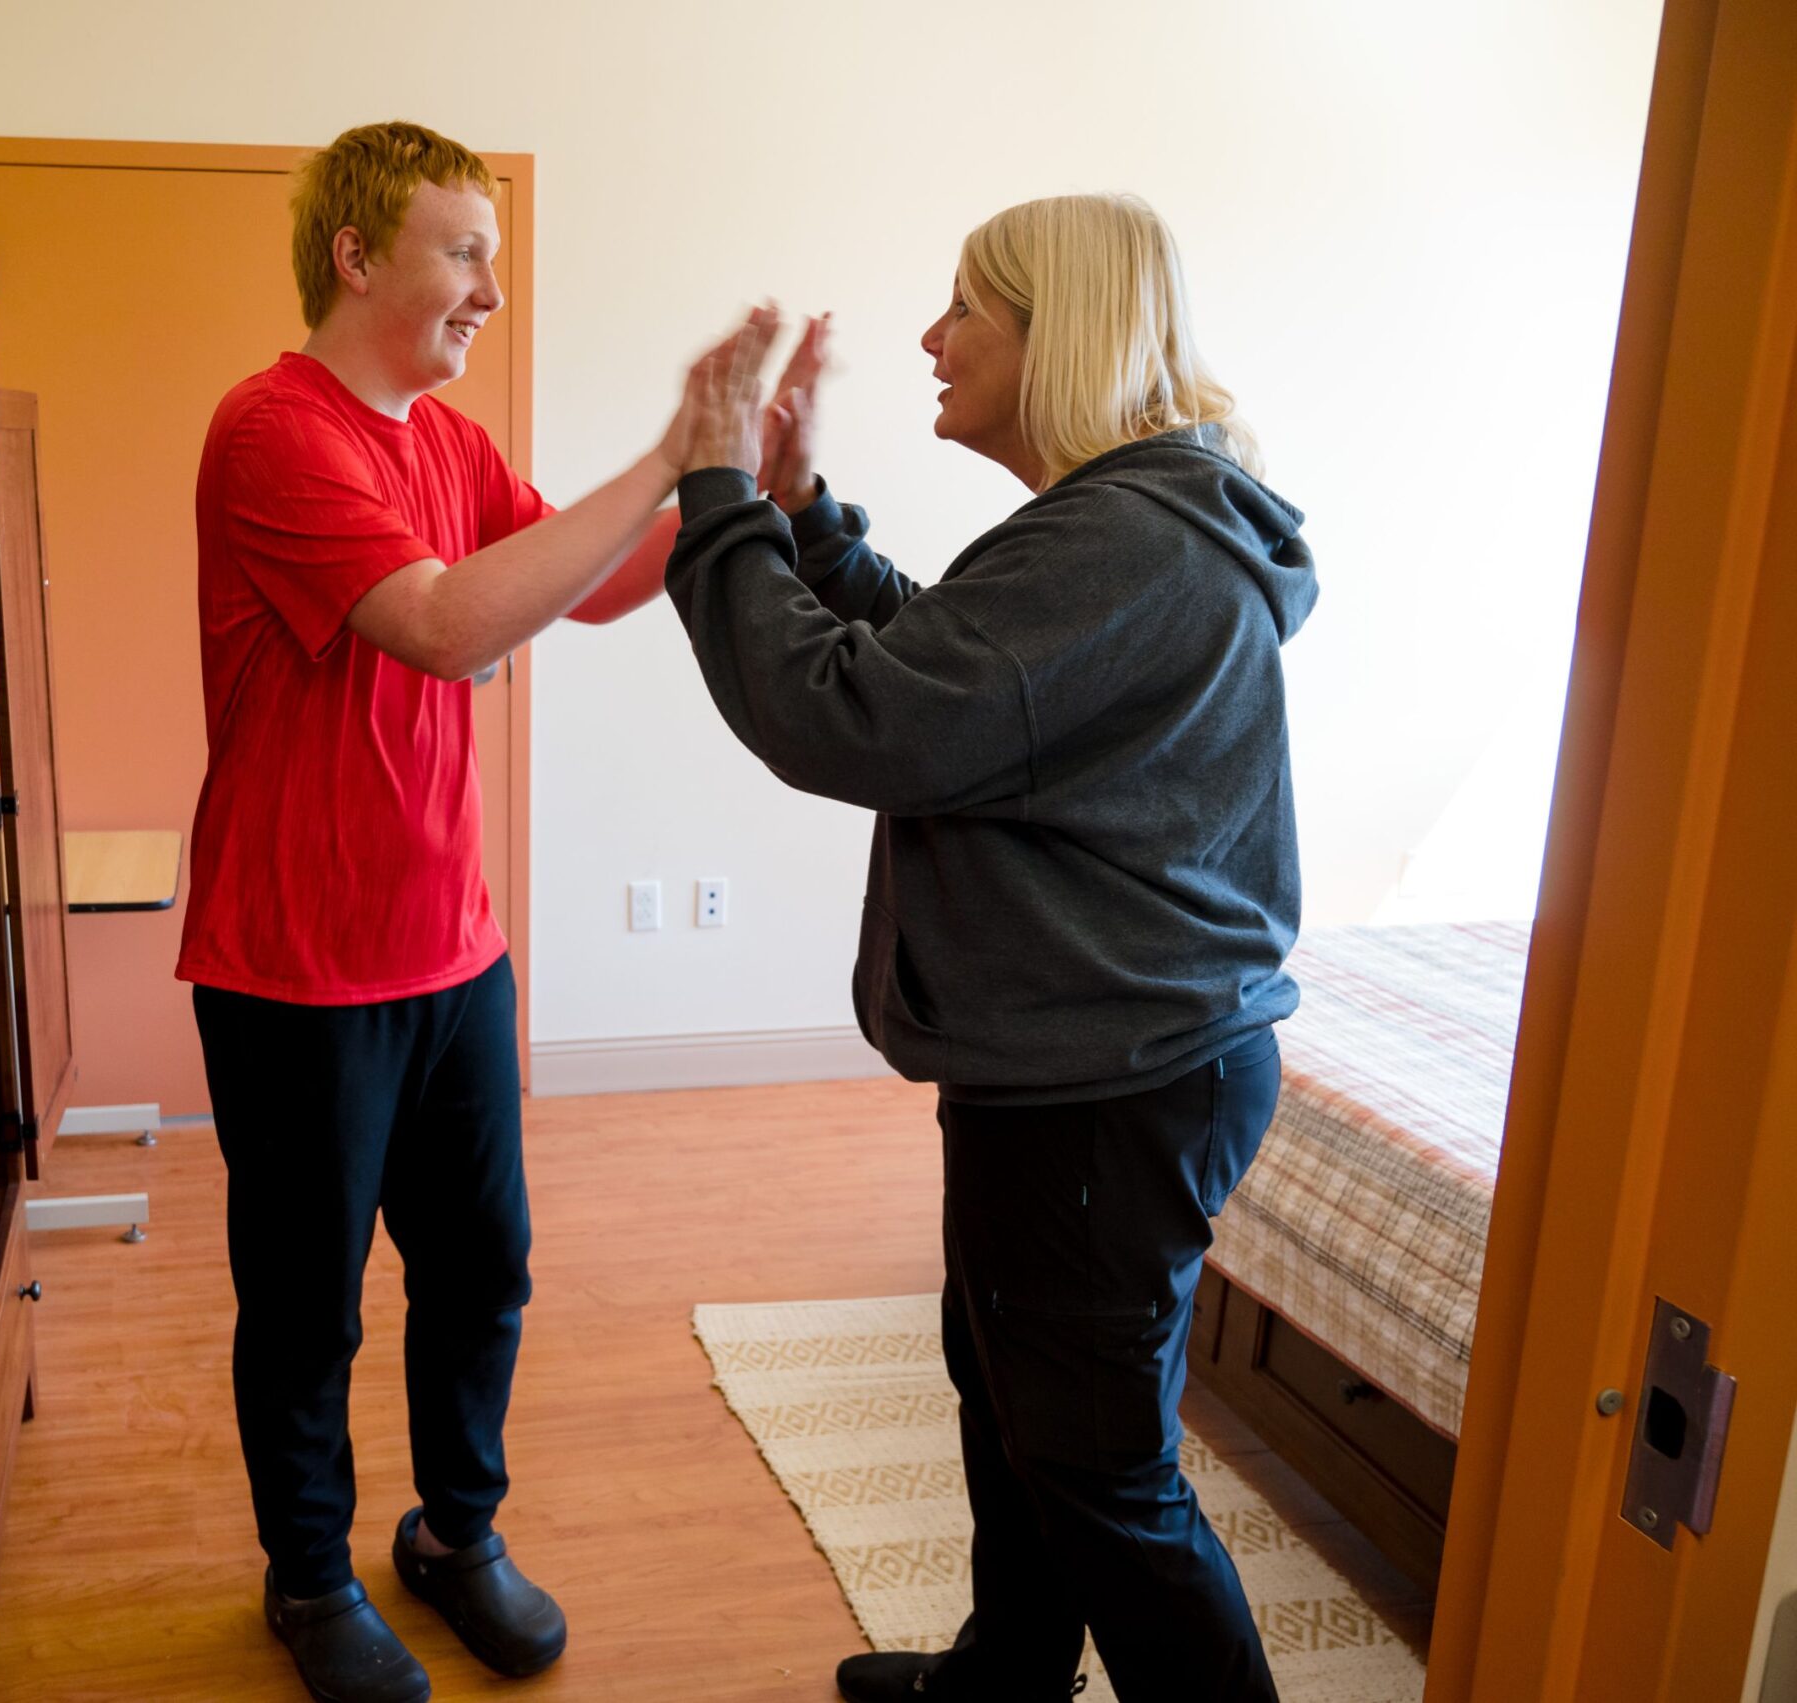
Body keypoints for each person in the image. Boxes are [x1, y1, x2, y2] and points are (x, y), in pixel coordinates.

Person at [664, 195, 1317, 1702]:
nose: (932, 339)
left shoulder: (1129, 541)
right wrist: (808, 519)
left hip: (1112, 1069)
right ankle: (1006, 1677)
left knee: (1101, 1473)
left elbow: (855, 716)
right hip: (1091, 1051)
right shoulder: (1136, 522)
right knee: (1009, 1389)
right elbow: (960, 683)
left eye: (969, 308)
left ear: (1061, 332)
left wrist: (719, 502)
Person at [177, 119, 706, 1703]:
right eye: (463, 250)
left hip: (454, 954)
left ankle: (455, 1536)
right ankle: (307, 1574)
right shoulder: (277, 431)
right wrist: (671, 454)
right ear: (358, 256)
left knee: (483, 1268)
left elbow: (582, 577)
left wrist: (741, 488)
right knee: (308, 1306)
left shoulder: (449, 445)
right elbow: (441, 625)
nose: (491, 285)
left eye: (492, 251)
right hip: (293, 973)